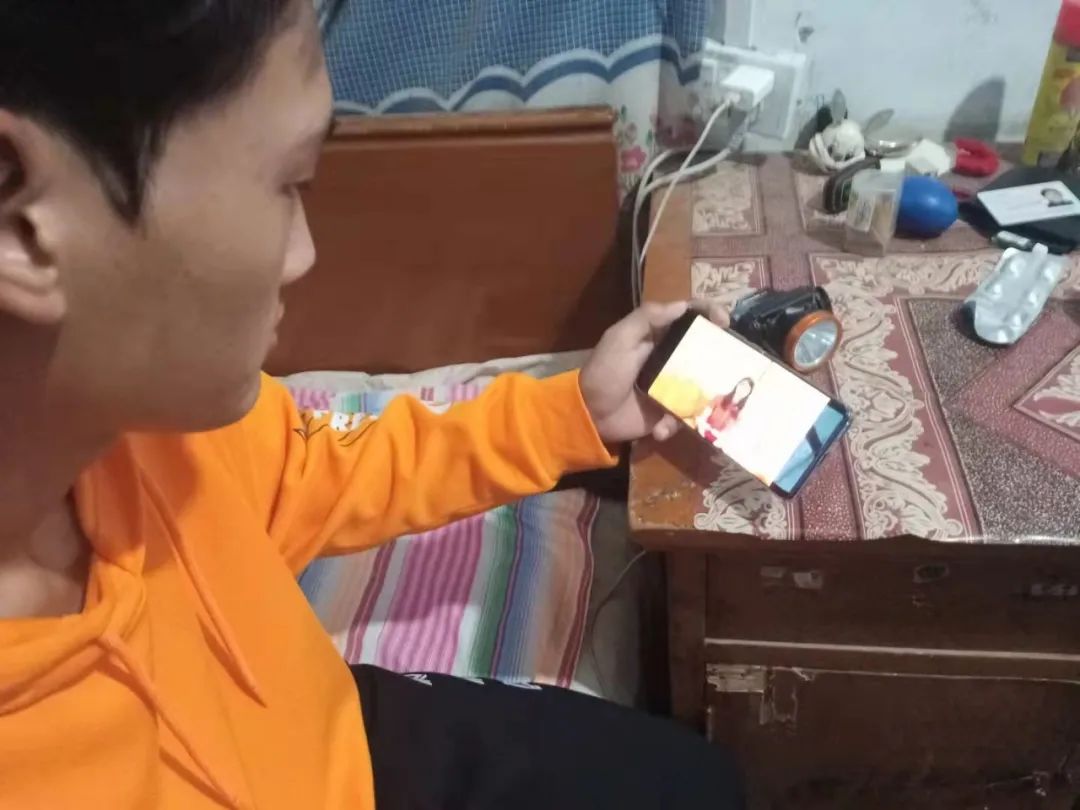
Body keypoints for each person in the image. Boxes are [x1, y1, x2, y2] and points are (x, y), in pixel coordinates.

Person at [0, 2, 743, 809]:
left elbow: (315, 461)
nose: (305, 254)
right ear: (20, 223)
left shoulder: (159, 429)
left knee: (695, 781)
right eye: (289, 183)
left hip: (337, 739)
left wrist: (573, 416)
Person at [698, 377, 756, 445]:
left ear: (748, 394)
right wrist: (703, 431)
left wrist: (717, 442)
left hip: (716, 442)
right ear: (737, 385)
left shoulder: (740, 415)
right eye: (742, 384)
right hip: (702, 430)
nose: (743, 389)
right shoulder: (719, 397)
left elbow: (729, 435)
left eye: (747, 389)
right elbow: (704, 416)